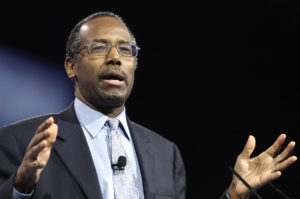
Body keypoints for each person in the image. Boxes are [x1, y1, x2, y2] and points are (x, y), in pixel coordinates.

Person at [0, 11, 296, 199]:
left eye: (126, 50)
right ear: (70, 66)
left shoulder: (165, 154)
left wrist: (232, 196)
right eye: (100, 48)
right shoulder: (20, 141)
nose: (115, 57)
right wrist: (21, 188)